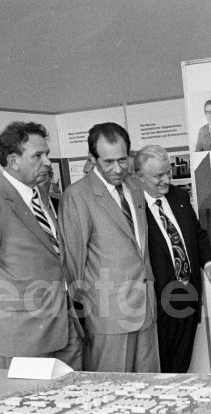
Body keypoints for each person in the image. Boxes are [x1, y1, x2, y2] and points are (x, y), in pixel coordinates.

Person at [0, 122, 82, 371]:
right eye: (38, 155)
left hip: (65, 328)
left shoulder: (41, 195)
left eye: (47, 154)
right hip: (23, 336)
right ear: (13, 161)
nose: (47, 162)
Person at [60, 122, 159, 373]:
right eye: (108, 162)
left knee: (149, 391)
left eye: (123, 160)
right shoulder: (77, 196)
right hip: (108, 316)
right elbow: (73, 262)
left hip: (145, 309)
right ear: (91, 159)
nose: (118, 169)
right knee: (112, 392)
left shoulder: (135, 187)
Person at [136, 144, 211, 373]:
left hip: (188, 297)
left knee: (181, 366)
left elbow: (197, 234)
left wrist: (210, 261)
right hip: (160, 305)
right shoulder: (134, 208)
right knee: (161, 371)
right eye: (158, 176)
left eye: (168, 172)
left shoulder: (179, 196)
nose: (165, 180)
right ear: (139, 177)